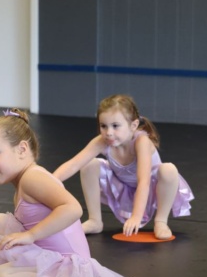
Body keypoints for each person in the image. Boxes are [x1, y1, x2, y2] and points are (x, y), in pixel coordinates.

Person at [0, 109, 144, 277]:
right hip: (50, 259)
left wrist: (30, 235)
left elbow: (73, 208)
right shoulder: (24, 181)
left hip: (69, 269)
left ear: (22, 149)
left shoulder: (33, 178)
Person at [53, 94, 193, 240]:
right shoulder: (102, 141)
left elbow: (144, 182)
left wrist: (136, 216)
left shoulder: (141, 142)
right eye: (103, 126)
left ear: (133, 125)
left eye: (115, 126)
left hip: (152, 190)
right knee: (89, 165)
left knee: (169, 170)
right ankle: (95, 220)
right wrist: (50, 182)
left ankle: (161, 221)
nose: (109, 133)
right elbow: (74, 164)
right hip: (123, 187)